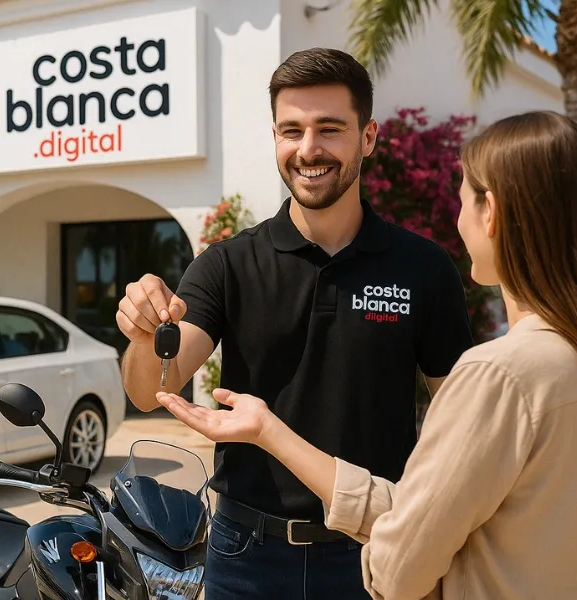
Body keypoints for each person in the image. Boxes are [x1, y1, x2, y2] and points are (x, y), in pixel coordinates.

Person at [157, 110, 577, 600]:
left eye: (461, 196)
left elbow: (400, 569)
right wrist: (268, 431)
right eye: (291, 129)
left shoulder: (497, 375)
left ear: (492, 213)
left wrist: (388, 541)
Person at [116, 48, 473, 599]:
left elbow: (457, 424)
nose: (309, 149)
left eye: (330, 129)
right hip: (245, 555)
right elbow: (150, 389)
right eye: (292, 130)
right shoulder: (228, 263)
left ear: (369, 137)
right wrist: (144, 336)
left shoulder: (424, 268)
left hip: (373, 549)